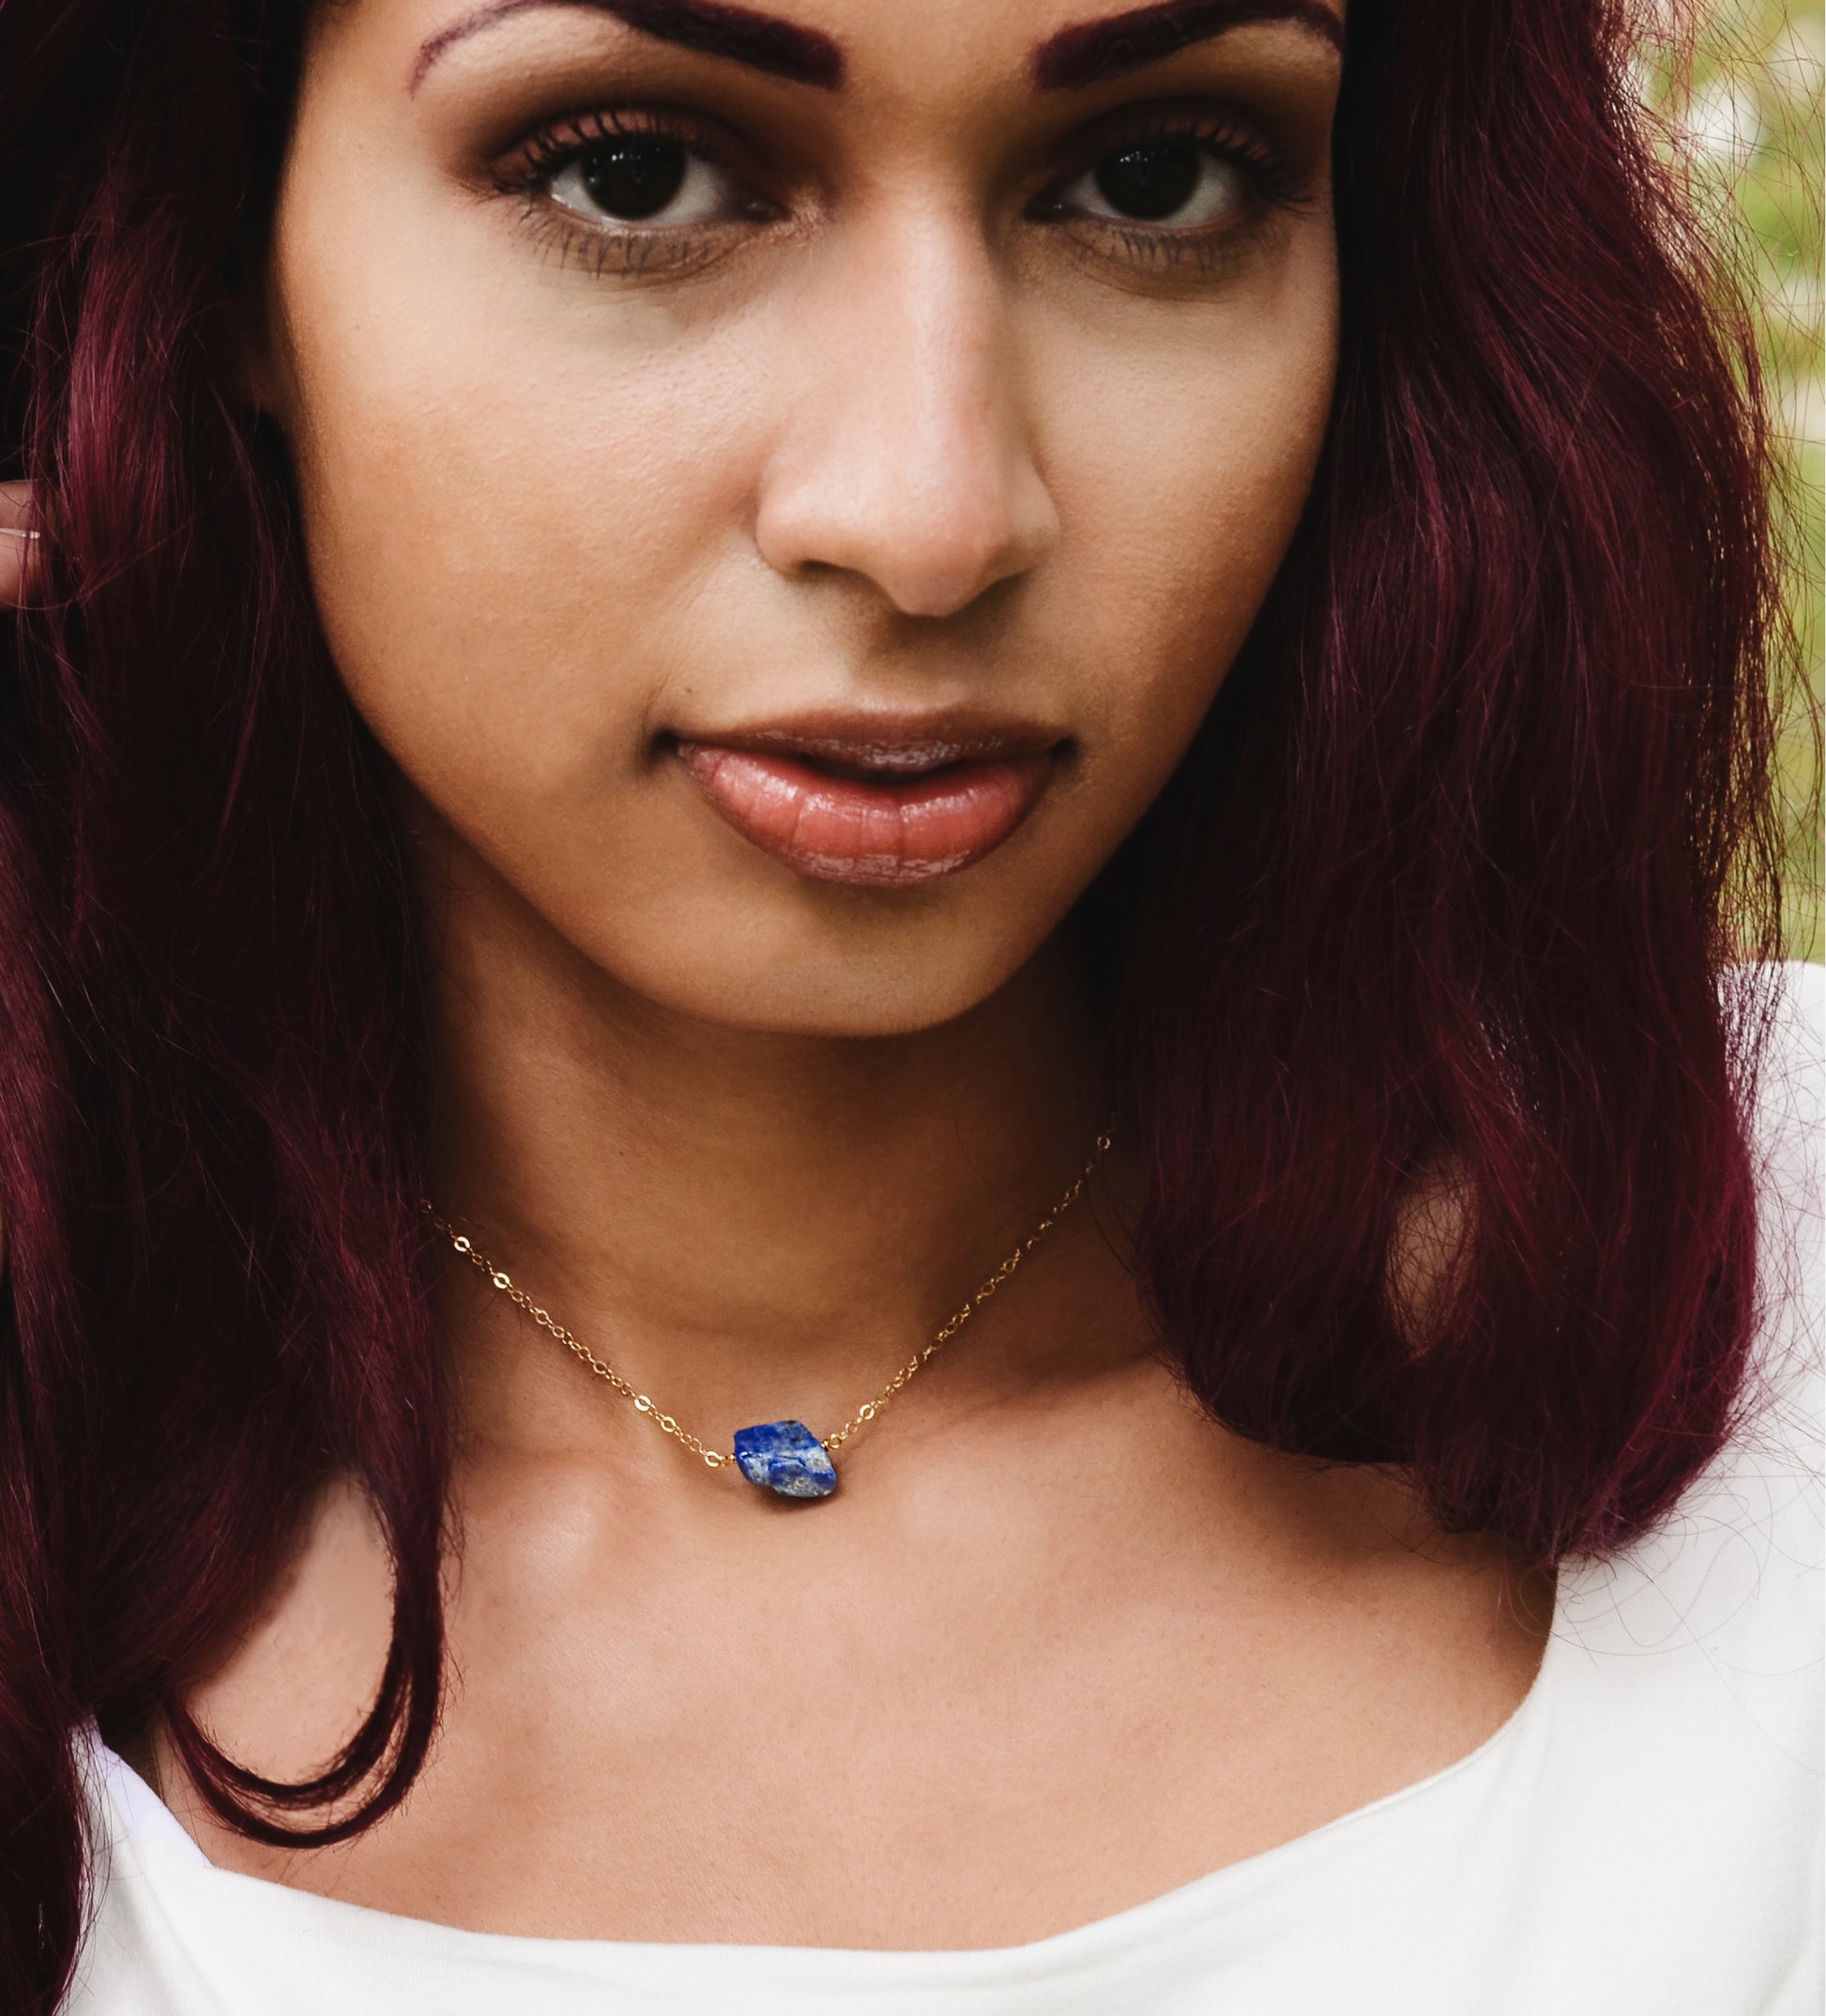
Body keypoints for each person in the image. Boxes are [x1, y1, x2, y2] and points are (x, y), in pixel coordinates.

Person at [0, 0, 1818, 2009]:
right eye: (635, 177)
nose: (933, 517)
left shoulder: (1777, 1288)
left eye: (1152, 181)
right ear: (209, 254)